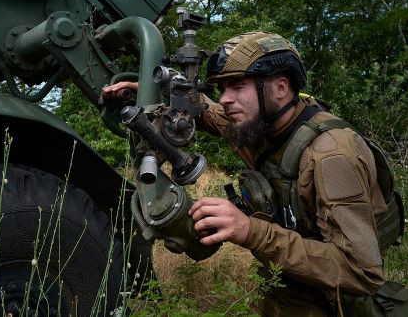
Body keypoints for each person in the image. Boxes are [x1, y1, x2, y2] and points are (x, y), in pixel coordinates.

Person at [103, 31, 389, 316]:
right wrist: (143, 91)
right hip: (286, 282)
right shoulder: (261, 122)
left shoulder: (332, 155)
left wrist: (249, 230)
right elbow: (200, 109)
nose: (225, 100)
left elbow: (361, 272)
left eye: (237, 86)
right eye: (223, 88)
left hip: (338, 301)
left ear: (280, 87)